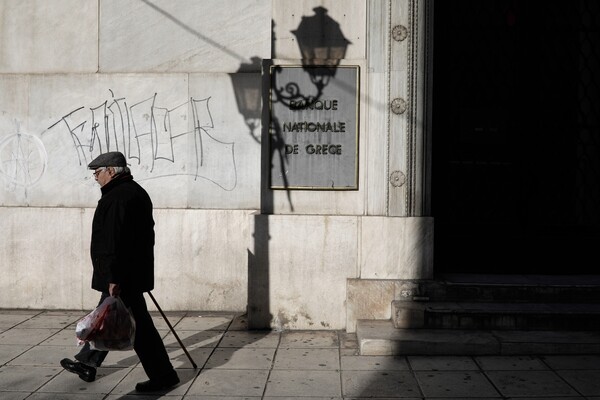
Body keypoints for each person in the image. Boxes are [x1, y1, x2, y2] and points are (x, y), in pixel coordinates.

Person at [60, 151, 179, 392]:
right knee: (115, 319)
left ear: (112, 171)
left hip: (122, 276)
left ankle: (163, 375)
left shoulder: (117, 198)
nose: (95, 177)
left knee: (130, 326)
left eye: (98, 171)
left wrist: (113, 277)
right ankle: (88, 362)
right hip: (131, 273)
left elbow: (115, 241)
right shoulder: (134, 192)